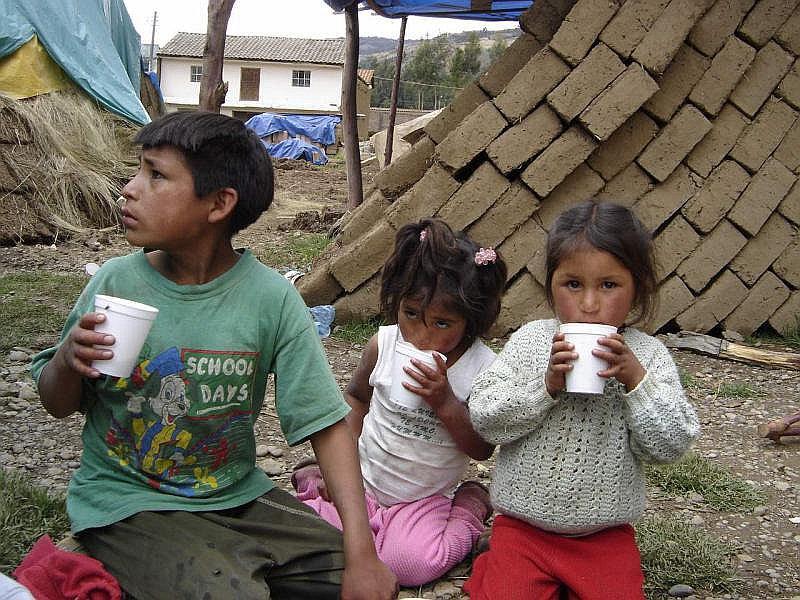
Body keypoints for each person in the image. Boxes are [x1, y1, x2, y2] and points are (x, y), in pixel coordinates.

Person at [30, 111, 397, 600]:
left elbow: (327, 428)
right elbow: (56, 403)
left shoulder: (271, 299)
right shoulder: (116, 282)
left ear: (219, 204)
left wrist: (362, 554)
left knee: (354, 579)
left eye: (156, 174)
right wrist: (65, 361)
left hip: (236, 497)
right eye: (139, 170)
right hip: (129, 501)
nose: (129, 188)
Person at [465, 200, 700, 600]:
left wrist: (636, 382)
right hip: (523, 528)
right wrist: (545, 387)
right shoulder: (531, 343)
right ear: (551, 285)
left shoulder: (649, 356)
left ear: (636, 289)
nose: (590, 305)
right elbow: (485, 418)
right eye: (573, 284)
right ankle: (498, 559)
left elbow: (671, 445)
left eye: (609, 285)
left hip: (603, 535)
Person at [292, 218, 507, 586]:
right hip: (363, 481)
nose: (421, 336)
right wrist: (340, 467)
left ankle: (470, 505)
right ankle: (321, 480)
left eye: (441, 324)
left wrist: (444, 402)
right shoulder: (385, 344)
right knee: (311, 542)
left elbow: (482, 448)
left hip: (423, 498)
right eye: (411, 314)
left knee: (411, 567)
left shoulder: (482, 369)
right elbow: (357, 398)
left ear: (471, 320)